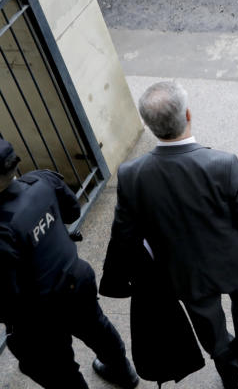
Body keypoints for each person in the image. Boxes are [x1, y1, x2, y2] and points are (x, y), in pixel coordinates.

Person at [101, 81, 238, 389]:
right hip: (235, 262)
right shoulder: (223, 163)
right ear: (188, 115)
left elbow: (123, 232)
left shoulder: (132, 175)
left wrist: (115, 278)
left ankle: (227, 366)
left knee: (208, 322)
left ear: (150, 125)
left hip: (183, 272)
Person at [0, 139, 138, 389]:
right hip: (76, 279)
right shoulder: (40, 180)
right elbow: (73, 211)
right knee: (98, 329)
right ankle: (123, 372)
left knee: (57, 371)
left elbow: (9, 298)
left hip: (40, 316)